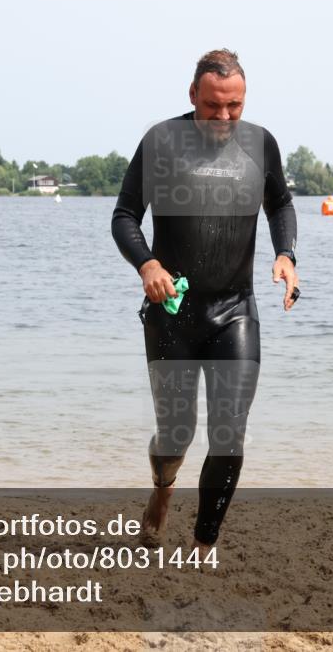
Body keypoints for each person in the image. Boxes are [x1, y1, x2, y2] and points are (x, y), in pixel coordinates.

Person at [111, 49, 299, 556]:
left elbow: (279, 202)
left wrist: (286, 254)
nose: (223, 118)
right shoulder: (162, 142)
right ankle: (163, 489)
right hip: (173, 315)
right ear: (192, 94)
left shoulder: (261, 145)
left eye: (234, 106)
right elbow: (125, 215)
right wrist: (148, 264)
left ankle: (201, 546)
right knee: (176, 435)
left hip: (235, 309)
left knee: (229, 433)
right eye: (213, 106)